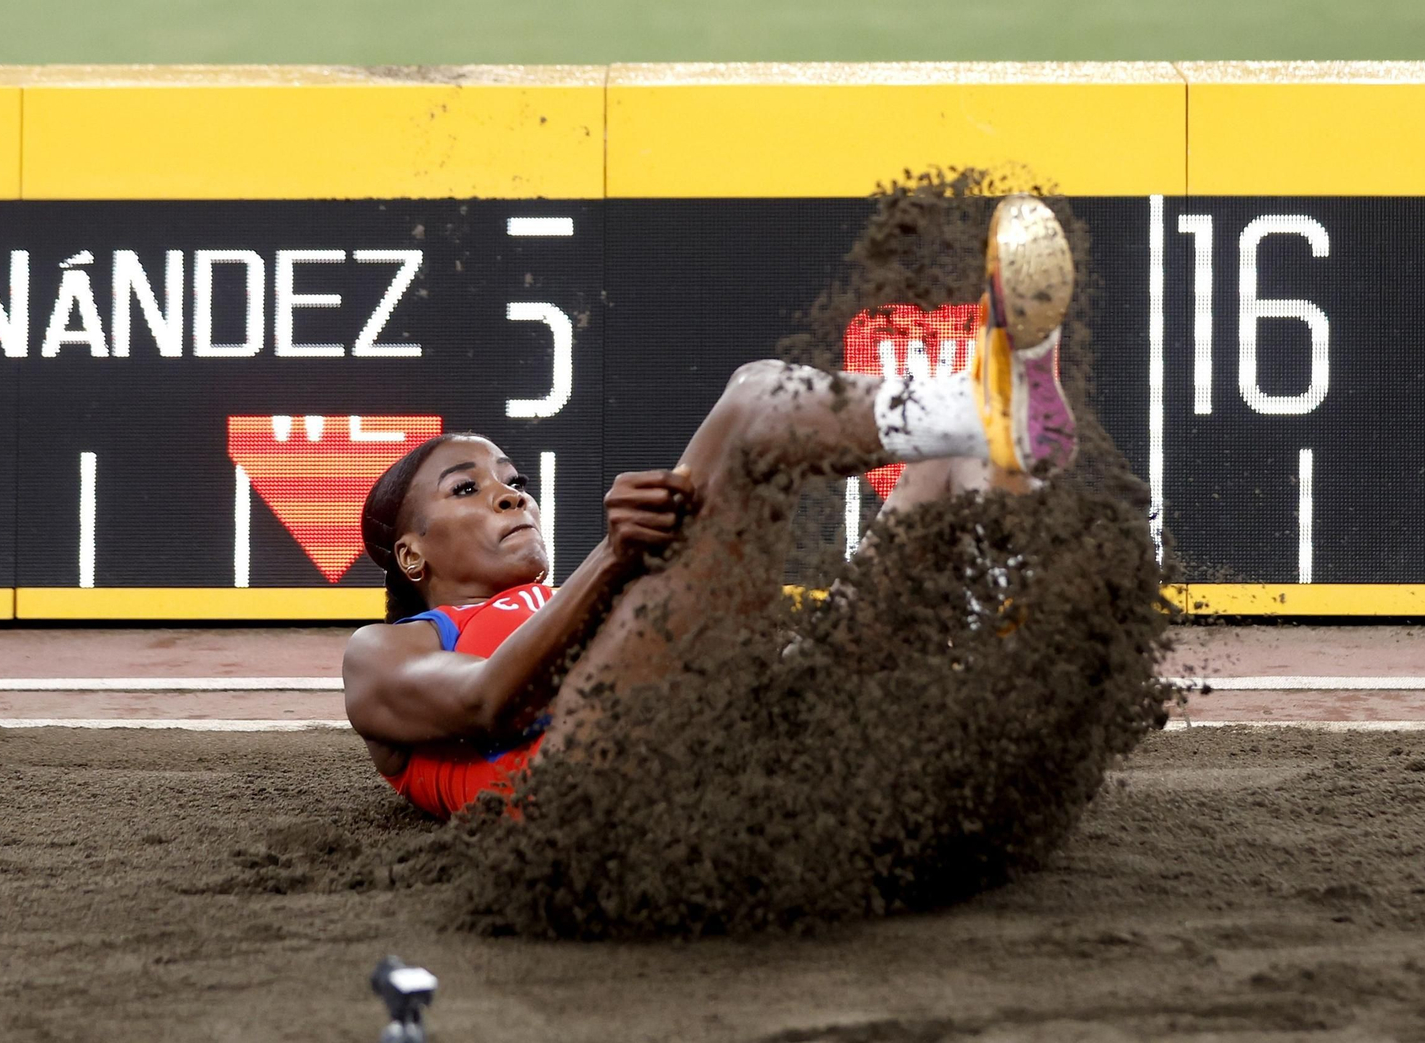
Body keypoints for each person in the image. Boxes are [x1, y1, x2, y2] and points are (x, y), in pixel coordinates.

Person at [343, 195, 1080, 819]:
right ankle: (990, 405)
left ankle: (1006, 642)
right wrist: (612, 559)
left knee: (941, 460)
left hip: (737, 749)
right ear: (413, 553)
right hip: (580, 801)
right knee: (752, 401)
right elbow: (484, 704)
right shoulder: (383, 653)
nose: (511, 492)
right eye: (467, 488)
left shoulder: (579, 604)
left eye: (515, 479)